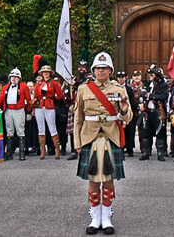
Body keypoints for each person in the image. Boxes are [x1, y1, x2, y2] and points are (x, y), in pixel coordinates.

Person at [73, 51, 132, 235]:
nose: (101, 71)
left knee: (108, 180)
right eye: (98, 68)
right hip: (89, 137)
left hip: (110, 137)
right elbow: (78, 117)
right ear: (93, 70)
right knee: (92, 180)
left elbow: (128, 116)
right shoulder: (84, 89)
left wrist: (123, 110)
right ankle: (94, 216)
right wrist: (77, 142)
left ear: (110, 70)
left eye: (104, 68)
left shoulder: (119, 89)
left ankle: (106, 216)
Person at [0, 68, 32, 161]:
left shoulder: (23, 87)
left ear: (19, 78)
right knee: (9, 131)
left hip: (19, 110)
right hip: (8, 111)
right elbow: (0, 98)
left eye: (16, 77)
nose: (14, 79)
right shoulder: (5, 87)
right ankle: (9, 153)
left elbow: (28, 100)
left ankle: (22, 153)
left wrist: (28, 111)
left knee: (20, 131)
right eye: (12, 77)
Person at [33, 64, 64, 160]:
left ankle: (57, 149)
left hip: (50, 106)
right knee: (40, 128)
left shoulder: (54, 83)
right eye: (44, 73)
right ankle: (43, 150)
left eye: (47, 72)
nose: (45, 74)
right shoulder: (38, 84)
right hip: (39, 106)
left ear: (50, 74)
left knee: (52, 127)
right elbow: (35, 96)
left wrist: (53, 96)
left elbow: (60, 96)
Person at [122, 71, 141, 157]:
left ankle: (130, 148)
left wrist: (133, 111)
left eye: (122, 77)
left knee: (130, 131)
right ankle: (121, 147)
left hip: (130, 111)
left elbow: (132, 101)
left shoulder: (129, 89)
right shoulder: (115, 88)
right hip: (120, 112)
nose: (120, 79)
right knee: (121, 131)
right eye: (119, 77)